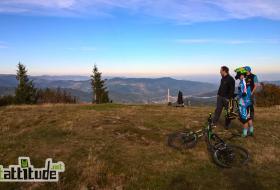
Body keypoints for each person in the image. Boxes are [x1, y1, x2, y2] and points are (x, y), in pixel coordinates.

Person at [234, 67, 252, 137]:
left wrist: (240, 94)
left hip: (243, 103)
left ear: (241, 74)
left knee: (244, 119)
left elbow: (244, 91)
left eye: (238, 74)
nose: (238, 76)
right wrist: (237, 94)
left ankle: (244, 133)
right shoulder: (247, 81)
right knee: (249, 117)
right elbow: (248, 91)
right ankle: (251, 131)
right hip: (248, 102)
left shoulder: (243, 82)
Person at [244, 66, 259, 136]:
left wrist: (252, 93)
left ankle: (251, 120)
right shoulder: (244, 76)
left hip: (251, 95)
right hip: (244, 95)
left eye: (245, 70)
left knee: (250, 108)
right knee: (245, 109)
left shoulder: (254, 76)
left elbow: (256, 85)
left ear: (248, 70)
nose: (244, 71)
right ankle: (248, 120)